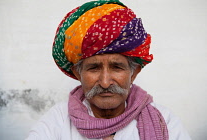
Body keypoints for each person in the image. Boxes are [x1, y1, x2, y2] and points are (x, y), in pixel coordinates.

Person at [26, 0, 191, 140]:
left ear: (134, 73)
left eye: (117, 67)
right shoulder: (57, 122)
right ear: (78, 73)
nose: (105, 82)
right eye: (94, 68)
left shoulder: (165, 122)